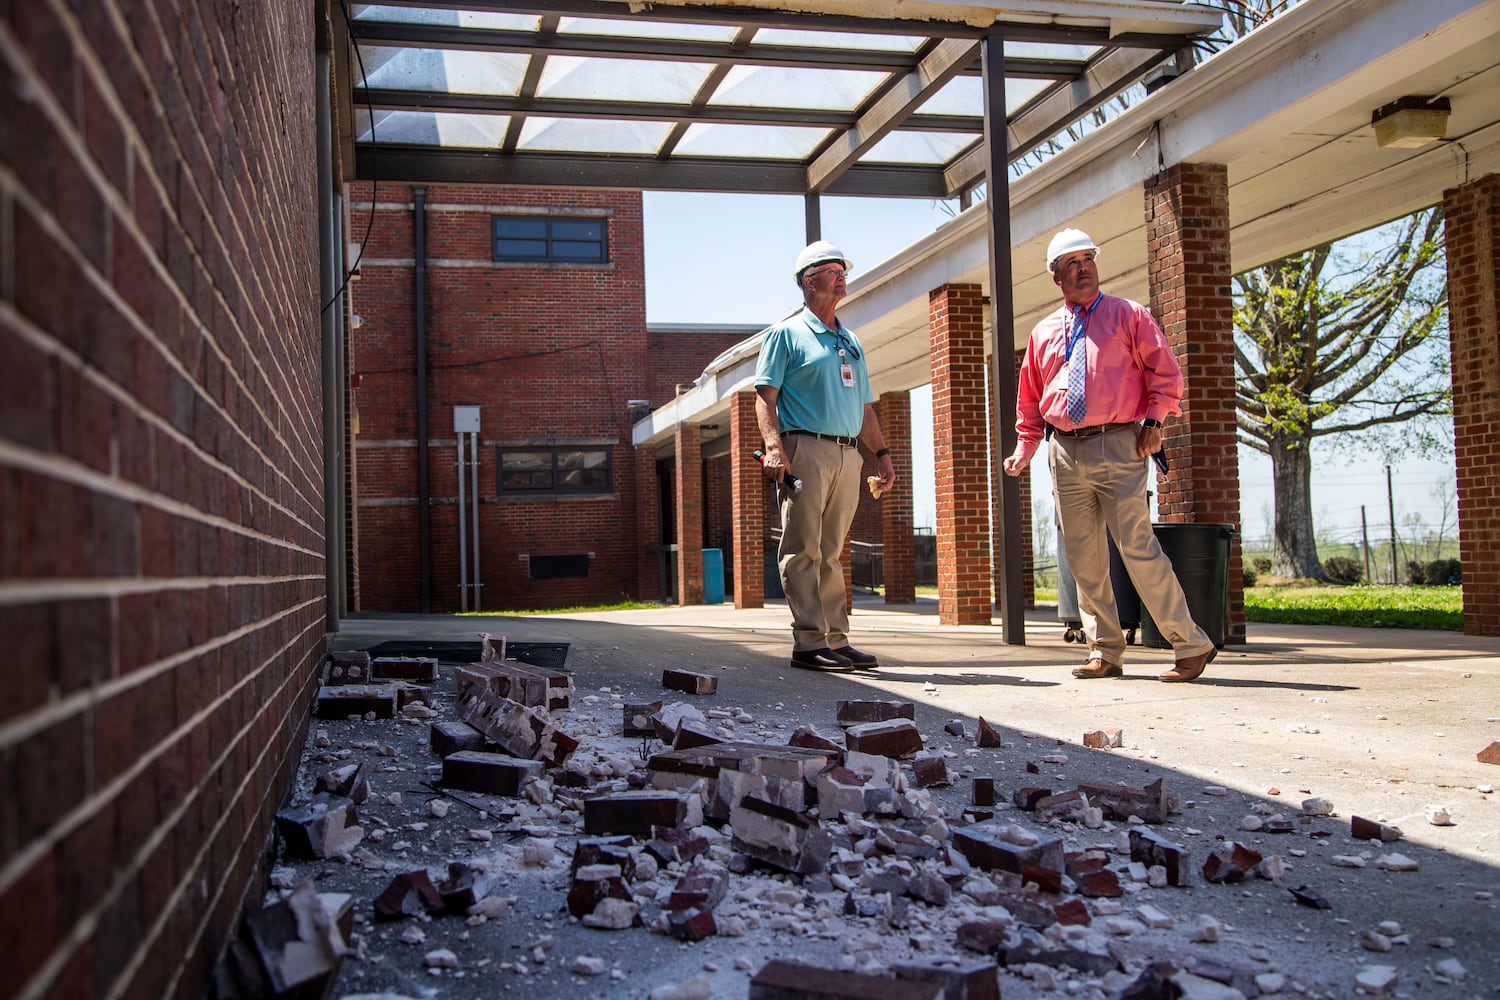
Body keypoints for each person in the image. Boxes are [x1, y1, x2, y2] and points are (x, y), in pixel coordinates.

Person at [1003, 228, 1217, 682]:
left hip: (1121, 442)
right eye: (1072, 262)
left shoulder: (1128, 315)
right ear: (1056, 276)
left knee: (1139, 548)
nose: (1083, 267)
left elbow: (1165, 373)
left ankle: (1191, 644)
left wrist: (1155, 423)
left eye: (1088, 258)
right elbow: (1030, 400)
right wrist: (1024, 449)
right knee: (1084, 558)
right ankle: (1105, 650)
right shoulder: (1042, 334)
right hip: (1063, 451)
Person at [754, 240, 897, 672]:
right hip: (806, 448)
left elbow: (865, 406)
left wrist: (882, 454)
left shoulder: (849, 339)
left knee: (833, 551)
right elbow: (765, 396)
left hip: (847, 453)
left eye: (843, 270)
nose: (842, 276)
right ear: (808, 280)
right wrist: (775, 448)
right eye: (833, 269)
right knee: (802, 549)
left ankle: (836, 639)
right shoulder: (787, 333)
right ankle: (809, 643)